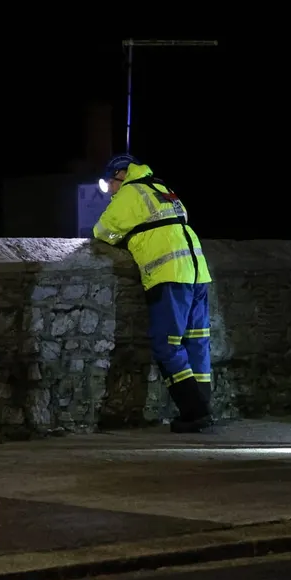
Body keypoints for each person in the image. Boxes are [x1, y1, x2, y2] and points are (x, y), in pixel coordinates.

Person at [92, 154, 215, 433]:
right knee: (196, 342)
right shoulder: (162, 188)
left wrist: (125, 239)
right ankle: (204, 406)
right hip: (197, 272)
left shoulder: (130, 193)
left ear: (121, 175)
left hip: (167, 274)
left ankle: (194, 411)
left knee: (167, 345)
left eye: (109, 183)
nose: (109, 189)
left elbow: (102, 231)